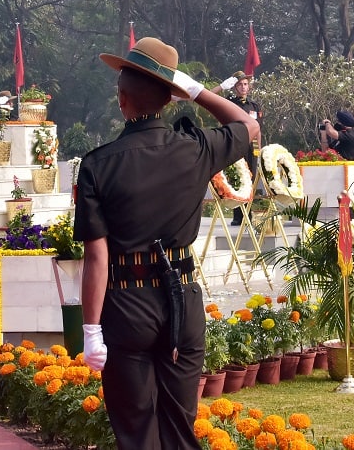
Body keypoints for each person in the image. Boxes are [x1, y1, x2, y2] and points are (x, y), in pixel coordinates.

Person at [73, 38, 259, 450]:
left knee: (137, 430)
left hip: (126, 303)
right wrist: (195, 89)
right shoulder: (196, 149)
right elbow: (249, 126)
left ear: (122, 100)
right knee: (180, 424)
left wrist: (90, 331)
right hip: (182, 301)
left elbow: (97, 256)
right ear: (171, 100)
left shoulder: (99, 164)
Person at [213, 71, 263, 225]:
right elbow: (210, 96)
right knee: (238, 178)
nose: (243, 87)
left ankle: (248, 215)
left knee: (251, 179)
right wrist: (221, 87)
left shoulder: (254, 106)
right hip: (235, 144)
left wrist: (259, 150)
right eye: (240, 84)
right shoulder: (230, 103)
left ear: (249, 87)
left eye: (245, 84)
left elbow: (258, 129)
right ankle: (238, 216)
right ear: (234, 87)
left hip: (251, 148)